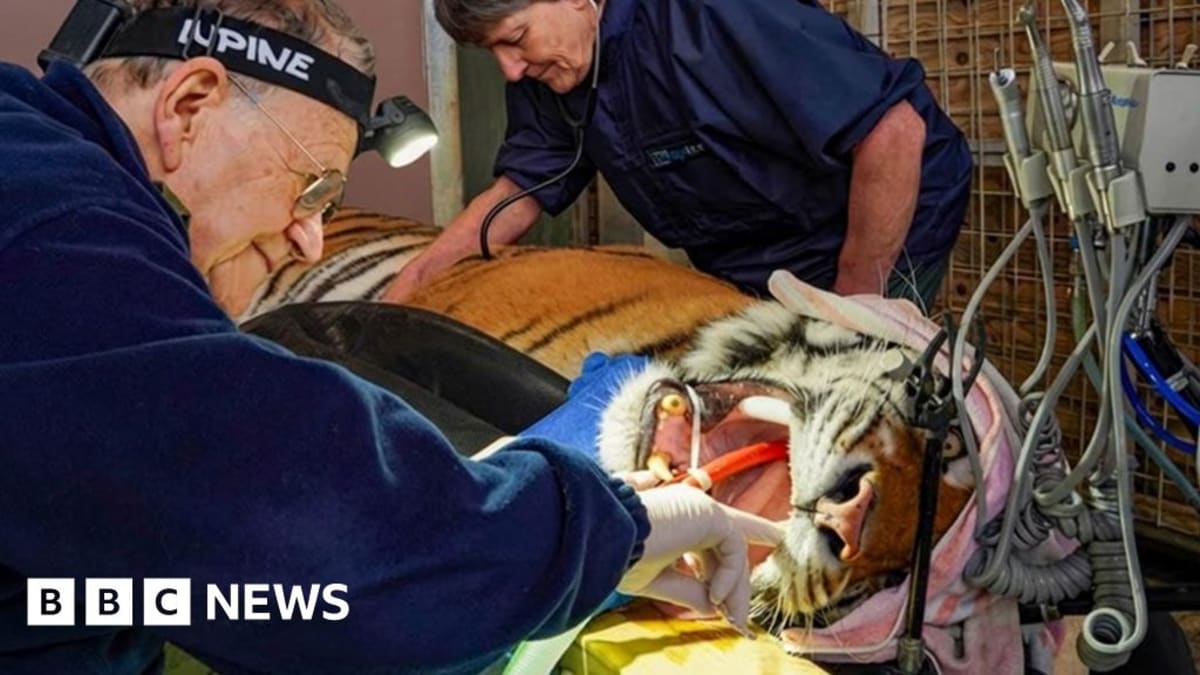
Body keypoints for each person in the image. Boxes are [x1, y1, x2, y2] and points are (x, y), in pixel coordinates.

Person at [0, 1, 780, 673]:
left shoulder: (36, 164)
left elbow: (126, 577)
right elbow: (314, 539)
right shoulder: (57, 225)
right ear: (191, 103)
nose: (310, 241)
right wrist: (603, 532)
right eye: (312, 190)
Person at [384, 0, 973, 310]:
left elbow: (893, 131)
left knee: (862, 393)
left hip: (876, 222)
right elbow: (520, 190)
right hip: (754, 256)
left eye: (515, 39)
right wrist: (415, 280)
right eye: (494, 53)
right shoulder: (552, 73)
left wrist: (853, 306)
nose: (511, 70)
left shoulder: (713, 13)